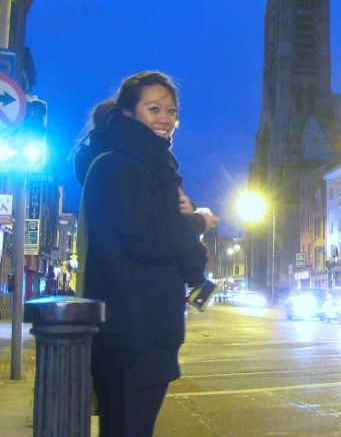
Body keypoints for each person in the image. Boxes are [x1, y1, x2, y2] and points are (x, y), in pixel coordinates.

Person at [74, 71, 220, 436]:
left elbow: (150, 228)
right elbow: (149, 239)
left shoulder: (139, 163)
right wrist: (198, 222)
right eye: (153, 108)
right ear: (128, 112)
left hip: (138, 328)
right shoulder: (125, 164)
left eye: (171, 111)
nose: (165, 118)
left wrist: (183, 215)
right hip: (135, 330)